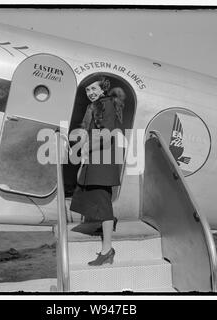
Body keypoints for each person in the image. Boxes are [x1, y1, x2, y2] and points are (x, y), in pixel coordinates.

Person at [70, 76, 125, 266]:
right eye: (87, 90)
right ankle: (107, 222)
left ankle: (107, 250)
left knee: (102, 200)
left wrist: (84, 150)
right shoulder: (98, 105)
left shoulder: (106, 104)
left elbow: (107, 134)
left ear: (103, 90)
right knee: (91, 194)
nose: (90, 93)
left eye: (94, 89)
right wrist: (84, 157)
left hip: (102, 159)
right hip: (96, 158)